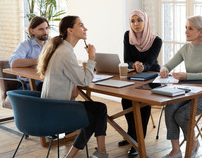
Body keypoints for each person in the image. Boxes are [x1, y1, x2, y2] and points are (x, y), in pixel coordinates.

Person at [38, 15, 109, 158]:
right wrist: (92, 58)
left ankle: (97, 152)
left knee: (95, 111)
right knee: (98, 110)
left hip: (51, 107)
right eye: (81, 25)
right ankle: (101, 152)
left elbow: (74, 86)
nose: (85, 28)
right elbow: (85, 81)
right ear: (70, 30)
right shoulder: (65, 52)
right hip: (57, 111)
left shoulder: (63, 49)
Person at [159, 15, 202, 158]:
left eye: (190, 28)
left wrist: (186, 76)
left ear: (201, 32)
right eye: (186, 28)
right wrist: (164, 69)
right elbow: (168, 64)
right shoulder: (186, 48)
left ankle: (192, 142)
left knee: (182, 114)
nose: (186, 31)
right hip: (188, 92)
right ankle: (176, 150)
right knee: (170, 107)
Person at [119, 10, 162, 157]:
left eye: (139, 20)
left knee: (142, 104)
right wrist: (134, 64)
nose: (136, 24)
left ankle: (138, 143)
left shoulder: (156, 40)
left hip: (151, 76)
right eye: (133, 21)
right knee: (126, 101)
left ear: (145, 21)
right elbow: (127, 59)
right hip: (135, 75)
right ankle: (131, 136)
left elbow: (151, 61)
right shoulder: (128, 36)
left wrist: (143, 66)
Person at [10, 16, 50, 91]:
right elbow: (14, 63)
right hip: (28, 84)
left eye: (47, 28)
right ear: (32, 31)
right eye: (41, 29)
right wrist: (40, 60)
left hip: (46, 81)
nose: (45, 32)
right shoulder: (25, 45)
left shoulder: (51, 44)